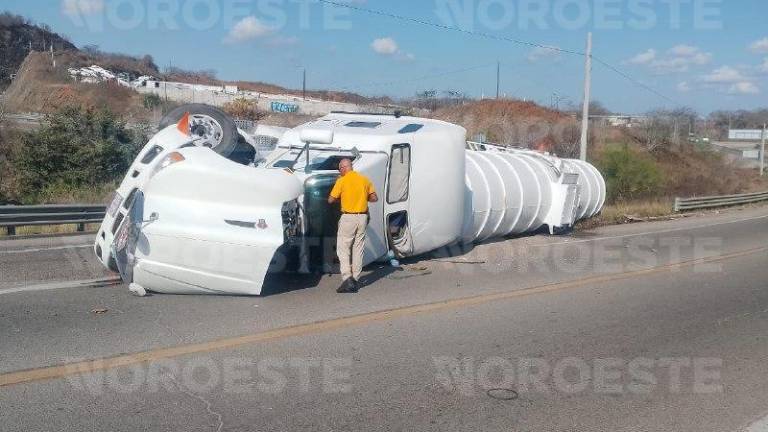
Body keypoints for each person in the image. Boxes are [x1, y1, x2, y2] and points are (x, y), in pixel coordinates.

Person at [328, 158, 378, 293]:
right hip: (362, 217)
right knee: (358, 248)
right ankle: (355, 279)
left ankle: (347, 278)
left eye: (340, 169)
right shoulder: (364, 179)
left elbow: (330, 199)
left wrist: (343, 196)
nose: (340, 171)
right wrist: (361, 197)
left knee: (343, 248)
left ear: (343, 168)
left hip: (348, 217)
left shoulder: (342, 180)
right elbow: (374, 198)